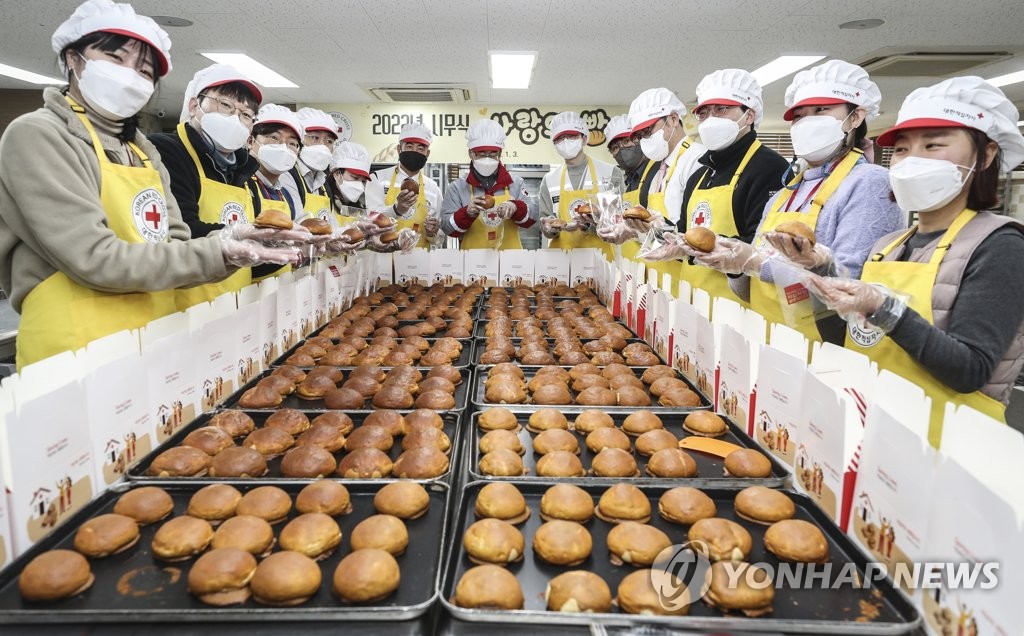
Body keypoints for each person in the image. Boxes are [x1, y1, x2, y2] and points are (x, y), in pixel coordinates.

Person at [0, 0, 300, 368]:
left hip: (156, 335)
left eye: (143, 70)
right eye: (115, 58)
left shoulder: (142, 151)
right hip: (78, 346)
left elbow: (175, 246)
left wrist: (243, 242)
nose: (130, 76)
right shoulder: (38, 135)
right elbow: (93, 258)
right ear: (73, 59)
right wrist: (221, 249)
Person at [806, 76, 1024, 445]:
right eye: (904, 149)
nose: (912, 160)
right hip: (874, 428)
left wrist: (885, 309)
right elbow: (850, 339)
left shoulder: (1000, 244)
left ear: (986, 155)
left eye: (934, 144)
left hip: (946, 444)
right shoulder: (889, 244)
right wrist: (820, 272)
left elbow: (969, 369)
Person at [679, 60, 906, 343]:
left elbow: (850, 282)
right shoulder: (791, 188)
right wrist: (735, 265)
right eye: (799, 115)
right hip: (765, 337)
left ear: (856, 117)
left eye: (821, 110)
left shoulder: (869, 183)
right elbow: (750, 287)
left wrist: (754, 263)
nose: (807, 122)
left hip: (821, 347)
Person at [667, 70, 790, 304]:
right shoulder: (700, 175)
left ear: (749, 115)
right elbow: (684, 234)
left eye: (721, 109)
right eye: (704, 112)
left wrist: (717, 248)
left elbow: (764, 249)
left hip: (737, 306)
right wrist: (660, 234)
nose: (711, 118)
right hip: (692, 300)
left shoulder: (769, 167)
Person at [148, 63, 263, 309]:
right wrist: (257, 239)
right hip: (186, 306)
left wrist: (293, 248)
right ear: (194, 105)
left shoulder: (243, 170)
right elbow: (182, 230)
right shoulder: (167, 151)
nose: (235, 119)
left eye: (245, 115)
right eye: (225, 105)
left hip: (236, 303)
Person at [623, 88, 705, 288]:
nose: (645, 139)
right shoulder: (658, 166)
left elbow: (695, 233)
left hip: (684, 278)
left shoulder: (697, 159)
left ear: (673, 119)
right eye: (640, 135)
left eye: (648, 131)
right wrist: (633, 229)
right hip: (658, 275)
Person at [440, 119, 536, 249]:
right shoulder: (457, 188)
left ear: (500, 154)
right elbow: (447, 229)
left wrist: (516, 207)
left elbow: (533, 218)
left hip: (510, 264)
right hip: (472, 264)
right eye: (481, 154)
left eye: (492, 154)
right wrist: (466, 213)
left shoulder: (516, 183)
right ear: (471, 154)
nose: (487, 159)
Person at [538, 111, 621, 256]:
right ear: (555, 144)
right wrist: (548, 228)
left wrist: (590, 224)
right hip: (561, 262)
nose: (566, 141)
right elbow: (547, 225)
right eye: (560, 138)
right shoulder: (549, 180)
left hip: (600, 259)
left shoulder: (610, 173)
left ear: (584, 138)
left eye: (571, 136)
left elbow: (617, 225)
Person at [245, 104, 306, 280]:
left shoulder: (285, 195)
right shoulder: (241, 188)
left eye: (292, 144)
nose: (283, 148)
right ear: (251, 141)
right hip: (246, 292)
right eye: (274, 138)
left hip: (281, 289)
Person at [365, 122, 444, 248]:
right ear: (399, 149)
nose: (414, 151)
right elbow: (370, 222)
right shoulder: (378, 179)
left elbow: (440, 239)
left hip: (419, 262)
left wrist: (432, 233)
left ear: (427, 153)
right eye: (409, 146)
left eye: (420, 148)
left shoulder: (433, 188)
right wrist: (397, 209)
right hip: (385, 261)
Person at [595, 114, 657, 260]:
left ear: (639, 139)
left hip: (658, 267)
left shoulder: (658, 173)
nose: (622, 149)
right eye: (615, 148)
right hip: (634, 267)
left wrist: (636, 233)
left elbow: (671, 231)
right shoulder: (629, 181)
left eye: (627, 141)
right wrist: (601, 216)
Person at [280, 107, 338, 226]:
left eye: (329, 141)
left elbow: (332, 225)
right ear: (300, 140)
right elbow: (299, 222)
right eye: (315, 138)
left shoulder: (323, 183)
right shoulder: (286, 174)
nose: (322, 146)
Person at [327, 141, 372, 225]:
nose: (359, 185)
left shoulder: (360, 209)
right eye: (355, 177)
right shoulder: (324, 200)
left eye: (363, 181)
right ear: (337, 174)